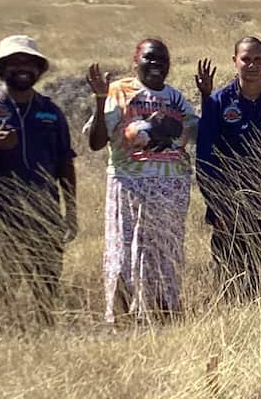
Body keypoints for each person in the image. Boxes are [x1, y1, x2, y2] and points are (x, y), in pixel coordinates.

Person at [85, 38, 212, 322]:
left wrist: (206, 97)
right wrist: (99, 99)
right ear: (136, 60)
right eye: (150, 58)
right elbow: (95, 142)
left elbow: (198, 135)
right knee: (125, 253)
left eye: (162, 60)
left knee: (165, 255)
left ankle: (163, 315)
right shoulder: (119, 91)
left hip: (170, 191)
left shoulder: (176, 98)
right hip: (130, 185)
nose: (156, 64)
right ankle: (124, 318)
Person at [0, 35, 77, 324]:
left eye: (28, 62)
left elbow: (65, 163)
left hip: (45, 212)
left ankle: (46, 335)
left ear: (38, 69)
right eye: (13, 63)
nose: (22, 68)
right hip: (1, 214)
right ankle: (8, 337)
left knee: (47, 286)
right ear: (1, 69)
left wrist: (71, 212)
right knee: (5, 286)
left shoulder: (51, 112)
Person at [196, 36, 261, 299]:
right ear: (235, 62)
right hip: (229, 202)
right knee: (230, 268)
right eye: (245, 59)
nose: (251, 65)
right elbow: (205, 160)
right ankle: (231, 317)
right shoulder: (218, 103)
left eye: (257, 60)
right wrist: (219, 205)